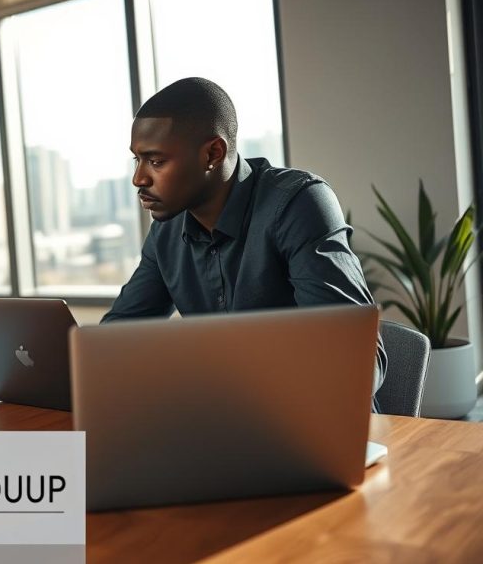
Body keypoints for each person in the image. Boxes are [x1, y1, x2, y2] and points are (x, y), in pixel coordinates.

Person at [103, 77, 387, 411]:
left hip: (318, 426)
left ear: (213, 153)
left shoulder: (297, 204)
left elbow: (357, 366)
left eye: (156, 161)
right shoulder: (166, 232)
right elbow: (112, 345)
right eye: (137, 160)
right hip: (225, 429)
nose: (139, 178)